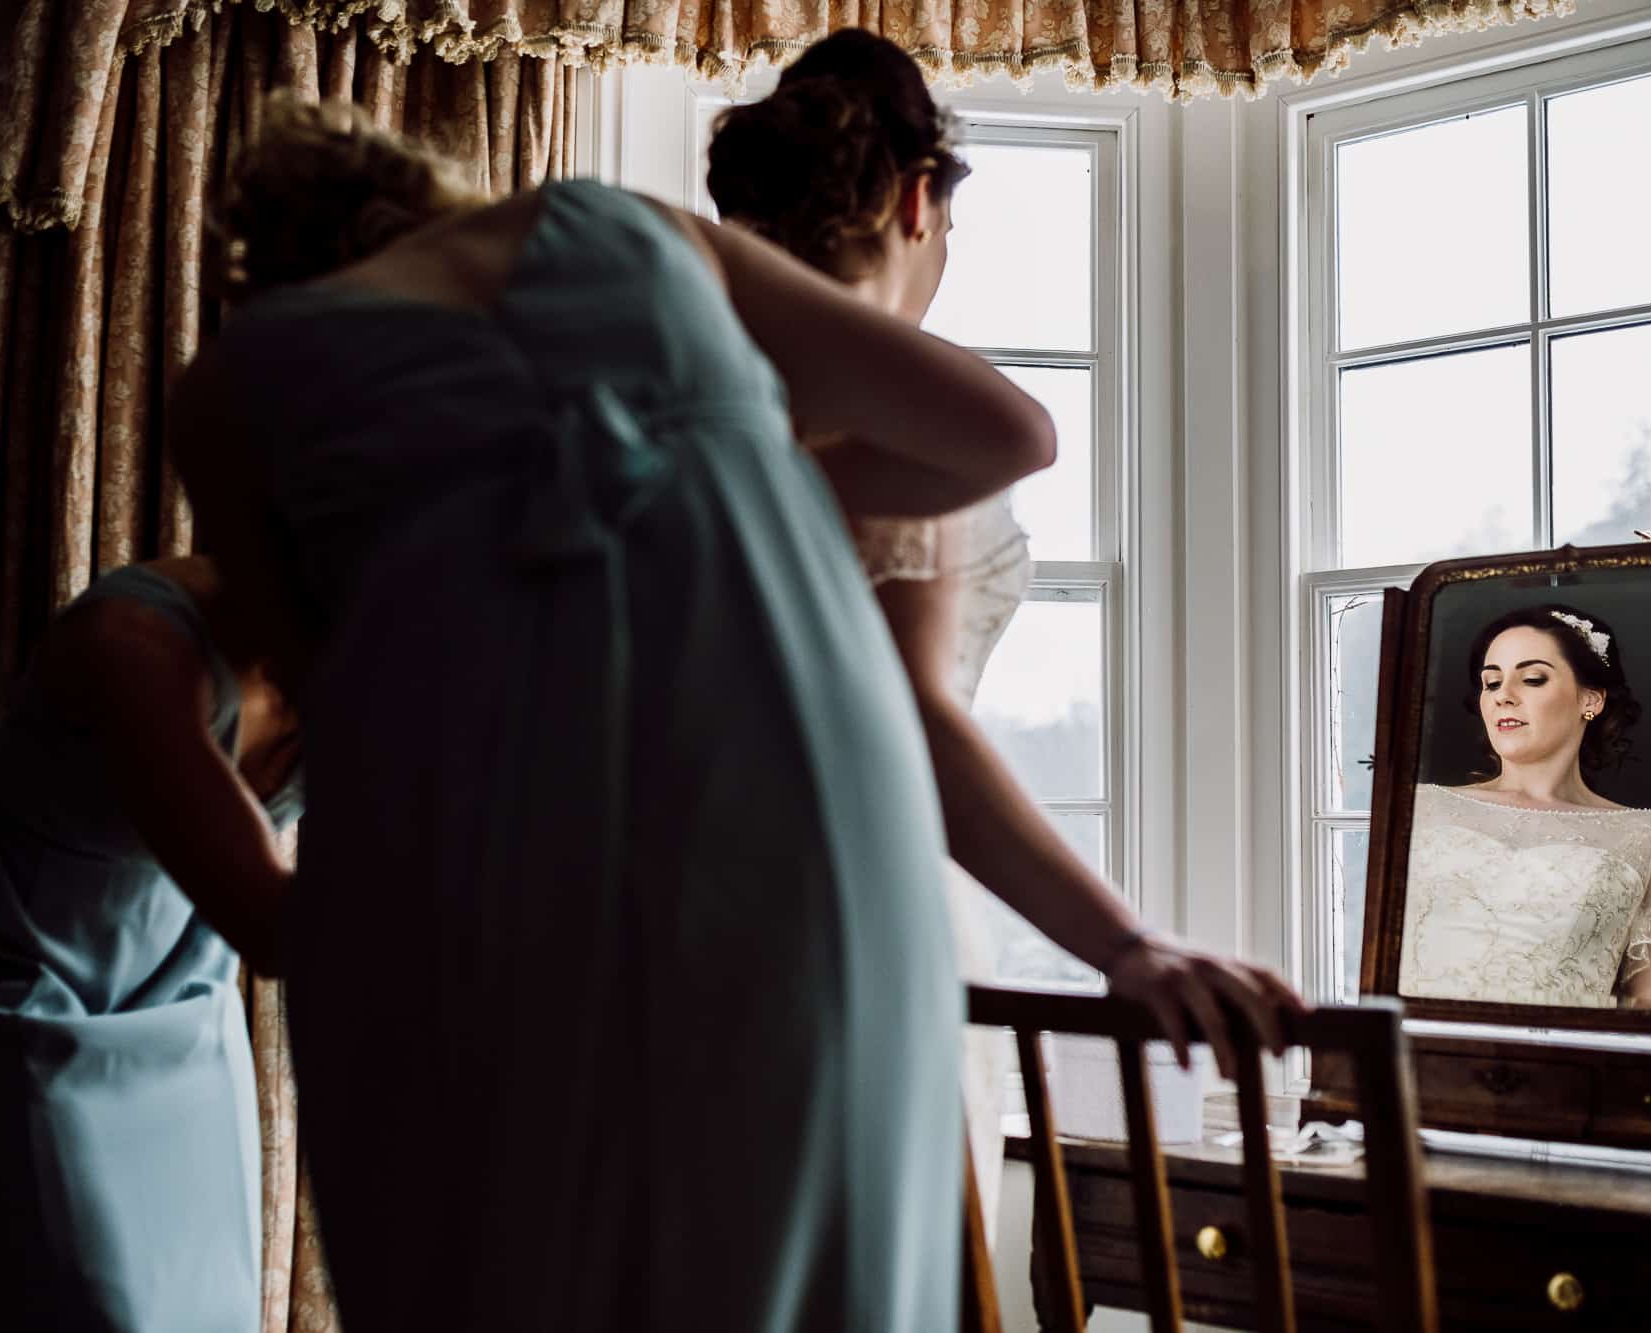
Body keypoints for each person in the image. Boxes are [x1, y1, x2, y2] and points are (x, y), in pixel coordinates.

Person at [167, 93, 1079, 1331]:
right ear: (432, 197)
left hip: (470, 825)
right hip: (791, 787)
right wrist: (733, 470)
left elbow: (309, 671)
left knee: (497, 1232)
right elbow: (1004, 433)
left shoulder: (234, 386)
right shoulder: (621, 230)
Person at [706, 29, 1305, 1239]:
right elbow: (915, 723)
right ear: (922, 200)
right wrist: (1126, 943)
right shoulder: (913, 423)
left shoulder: (677, 413)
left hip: (668, 917)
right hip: (842, 924)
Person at [0, 556, 302, 1331]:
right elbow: (269, 920)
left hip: (188, 1006)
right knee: (91, 1307)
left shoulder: (356, 652)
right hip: (24, 1010)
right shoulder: (135, 645)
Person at [1399, 604, 1651, 1011]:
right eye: (1491, 682)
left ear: (1590, 699)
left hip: (1564, 1069)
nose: (1504, 696)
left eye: (1532, 679)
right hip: (1412, 1063)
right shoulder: (1419, 806)